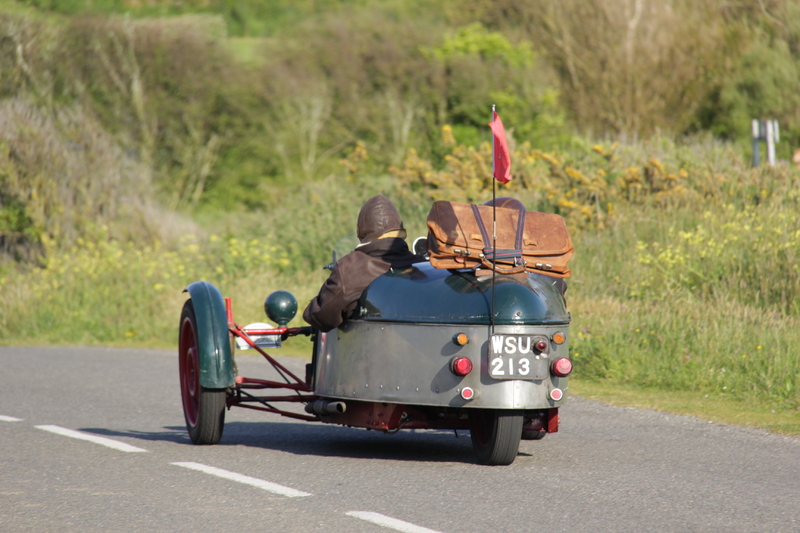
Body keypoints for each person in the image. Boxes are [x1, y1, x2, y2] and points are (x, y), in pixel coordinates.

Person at [302, 195, 424, 332]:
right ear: (399, 229)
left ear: (361, 229)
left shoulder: (350, 267)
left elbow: (321, 317)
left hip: (367, 350)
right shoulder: (422, 266)